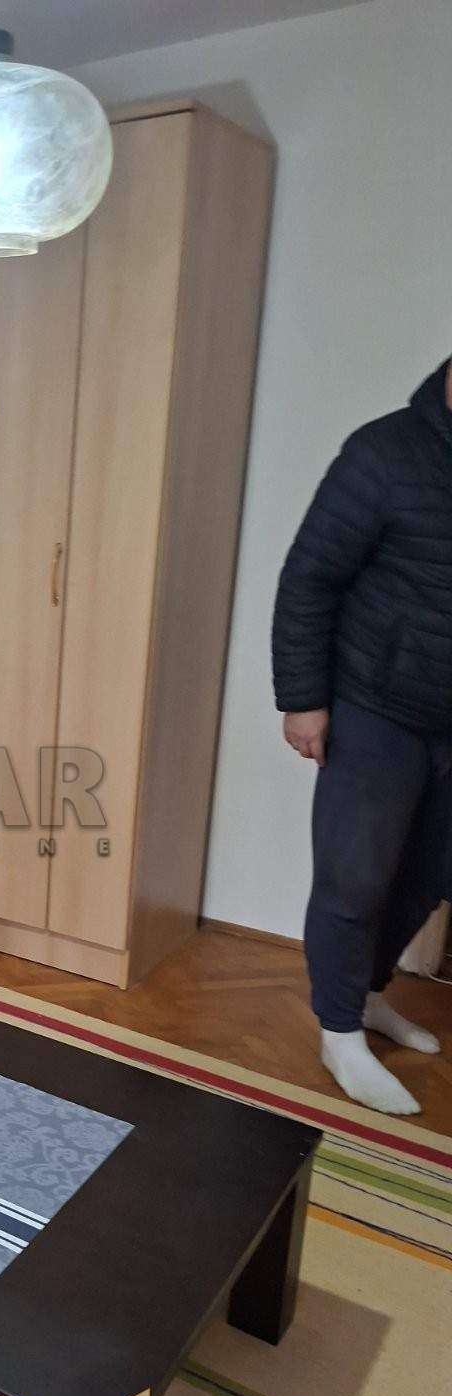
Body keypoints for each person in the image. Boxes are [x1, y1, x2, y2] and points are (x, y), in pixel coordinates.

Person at [271, 357, 452, 1114]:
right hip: (375, 707)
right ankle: (339, 1030)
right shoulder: (383, 453)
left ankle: (370, 996)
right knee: (356, 876)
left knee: (429, 875)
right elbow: (308, 578)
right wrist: (303, 700)